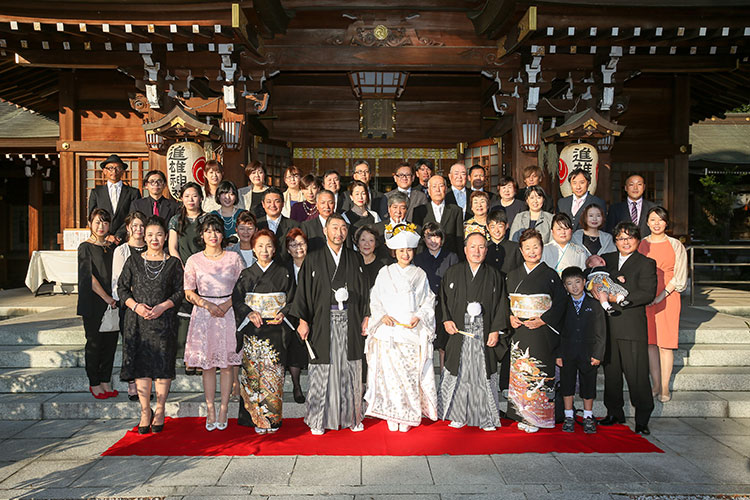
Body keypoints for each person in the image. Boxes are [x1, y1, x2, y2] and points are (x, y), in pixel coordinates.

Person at [290, 213, 371, 435]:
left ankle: (353, 417)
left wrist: (366, 316)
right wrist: (303, 320)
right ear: (325, 230)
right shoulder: (313, 258)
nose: (339, 232)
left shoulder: (354, 258)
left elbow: (364, 291)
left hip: (350, 320)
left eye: (343, 228)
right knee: (323, 370)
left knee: (351, 369)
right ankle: (318, 419)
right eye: (334, 227)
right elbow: (303, 292)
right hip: (322, 322)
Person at [365, 224, 438, 432]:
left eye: (408, 250)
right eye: (401, 251)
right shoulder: (385, 272)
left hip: (410, 332)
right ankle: (391, 412)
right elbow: (375, 298)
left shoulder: (420, 274)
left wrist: (420, 316)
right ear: (394, 252)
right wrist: (382, 316)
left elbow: (428, 300)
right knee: (389, 377)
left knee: (409, 375)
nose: (405, 254)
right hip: (389, 332)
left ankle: (407, 413)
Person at [118, 216, 184, 434]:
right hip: (137, 322)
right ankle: (145, 410)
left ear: (166, 237)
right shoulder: (134, 260)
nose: (154, 239)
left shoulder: (173, 263)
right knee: (142, 367)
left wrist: (163, 306)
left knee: (162, 367)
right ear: (143, 237)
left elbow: (179, 292)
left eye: (159, 234)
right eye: (150, 235)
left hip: (164, 321)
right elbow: (122, 289)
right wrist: (136, 306)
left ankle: (160, 410)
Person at [438, 232, 509, 431]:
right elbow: (442, 301)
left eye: (481, 247)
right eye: (473, 246)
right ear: (465, 249)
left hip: (483, 332)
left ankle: (484, 416)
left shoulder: (495, 275)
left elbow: (502, 304)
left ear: (486, 250)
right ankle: (458, 414)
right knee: (460, 372)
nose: (477, 251)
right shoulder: (453, 272)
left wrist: (495, 330)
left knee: (481, 373)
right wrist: (446, 320)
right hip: (459, 332)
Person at [183, 214, 245, 431]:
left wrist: (227, 305)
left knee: (227, 365)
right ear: (202, 234)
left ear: (223, 234)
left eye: (217, 230)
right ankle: (210, 409)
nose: (213, 235)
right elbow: (188, 290)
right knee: (208, 366)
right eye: (208, 231)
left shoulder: (234, 258)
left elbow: (243, 287)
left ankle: (224, 409)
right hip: (204, 314)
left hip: (229, 313)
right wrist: (207, 305)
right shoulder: (194, 260)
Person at [232, 229, 296, 434]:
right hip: (254, 329)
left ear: (275, 249)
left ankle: (272, 420)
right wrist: (249, 313)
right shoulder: (246, 274)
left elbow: (293, 298)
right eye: (260, 246)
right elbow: (237, 299)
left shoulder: (284, 272)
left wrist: (285, 312)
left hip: (276, 329)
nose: (264, 250)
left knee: (274, 375)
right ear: (253, 248)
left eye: (269, 245)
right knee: (252, 374)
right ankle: (254, 419)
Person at [596, 222, 657, 435]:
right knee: (611, 373)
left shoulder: (646, 263)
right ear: (615, 241)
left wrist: (620, 297)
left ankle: (642, 418)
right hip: (608, 326)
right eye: (621, 238)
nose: (625, 242)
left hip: (632, 327)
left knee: (637, 374)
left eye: (630, 237)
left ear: (638, 240)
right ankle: (614, 412)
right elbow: (596, 279)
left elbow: (647, 293)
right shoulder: (608, 260)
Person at [505, 229, 567, 432]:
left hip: (542, 333)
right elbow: (505, 302)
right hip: (520, 331)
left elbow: (560, 303)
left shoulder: (551, 275)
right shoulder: (513, 275)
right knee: (521, 374)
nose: (532, 252)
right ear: (521, 251)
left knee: (539, 373)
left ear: (542, 248)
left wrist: (544, 319)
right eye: (528, 248)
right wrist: (510, 317)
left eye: (536, 247)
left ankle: (539, 418)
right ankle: (522, 415)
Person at [638, 206, 688, 403]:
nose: (656, 223)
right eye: (652, 219)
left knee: (665, 344)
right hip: (646, 297)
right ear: (647, 222)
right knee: (651, 343)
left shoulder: (676, 245)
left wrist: (661, 295)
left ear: (666, 223)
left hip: (669, 296)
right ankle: (656, 384)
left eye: (660, 219)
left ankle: (665, 386)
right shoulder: (642, 244)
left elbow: (680, 275)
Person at [556, 266, 606, 434]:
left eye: (577, 282)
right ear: (565, 286)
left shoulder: (594, 304)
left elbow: (601, 331)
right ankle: (569, 416)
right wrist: (558, 354)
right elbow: (557, 331)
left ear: (585, 282)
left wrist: (598, 353)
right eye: (569, 283)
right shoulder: (562, 304)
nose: (574, 286)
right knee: (567, 384)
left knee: (588, 384)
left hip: (588, 351)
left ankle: (588, 416)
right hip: (567, 351)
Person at [77, 208, 119, 399]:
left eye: (104, 222)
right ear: (90, 224)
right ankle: (94, 383)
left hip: (113, 302)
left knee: (110, 344)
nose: (101, 226)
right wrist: (106, 298)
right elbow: (89, 277)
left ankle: (105, 380)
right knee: (94, 343)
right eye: (97, 222)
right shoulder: (85, 247)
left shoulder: (112, 248)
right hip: (94, 302)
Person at [167, 182, 205, 375]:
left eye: (195, 195)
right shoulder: (175, 220)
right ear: (181, 199)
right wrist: (183, 270)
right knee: (185, 315)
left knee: (203, 316)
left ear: (201, 198)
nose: (191, 199)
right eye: (187, 196)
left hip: (206, 273)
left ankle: (201, 357)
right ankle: (186, 358)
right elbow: (173, 247)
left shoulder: (207, 219)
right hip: (182, 271)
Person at [111, 211, 148, 401]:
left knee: (148, 347)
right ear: (128, 228)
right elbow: (118, 282)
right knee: (131, 344)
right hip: (129, 305)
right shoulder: (122, 250)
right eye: (134, 226)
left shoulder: (153, 247)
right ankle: (133, 384)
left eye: (142, 226)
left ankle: (147, 383)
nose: (139, 230)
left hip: (151, 306)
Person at [413, 222, 459, 371]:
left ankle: (445, 380)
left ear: (442, 238)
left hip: (445, 305)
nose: (433, 241)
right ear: (424, 239)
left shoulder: (451, 257)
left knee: (443, 345)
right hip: (424, 306)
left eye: (436, 236)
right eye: (429, 237)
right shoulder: (418, 259)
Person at [87, 154, 140, 243]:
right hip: (101, 238)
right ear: (104, 171)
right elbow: (92, 216)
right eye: (110, 168)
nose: (114, 171)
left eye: (117, 168)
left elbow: (133, 216)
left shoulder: (133, 192)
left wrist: (118, 235)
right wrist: (106, 235)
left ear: (123, 171)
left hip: (125, 239)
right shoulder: (96, 192)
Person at [285, 227, 310, 403]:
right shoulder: (284, 268)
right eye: (293, 245)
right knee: (294, 344)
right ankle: (296, 385)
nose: (298, 248)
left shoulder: (316, 264)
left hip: (313, 312)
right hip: (291, 314)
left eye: (301, 244)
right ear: (288, 249)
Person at [412, 175, 464, 256]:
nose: (437, 190)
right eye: (434, 186)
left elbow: (459, 237)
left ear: (446, 189)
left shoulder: (456, 210)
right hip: (426, 257)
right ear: (429, 191)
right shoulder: (420, 211)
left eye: (441, 186)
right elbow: (418, 238)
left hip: (450, 257)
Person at [257, 187, 300, 258]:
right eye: (269, 202)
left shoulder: (294, 225)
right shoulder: (257, 225)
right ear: (263, 204)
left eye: (277, 201)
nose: (273, 205)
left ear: (283, 204)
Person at [485, 210, 523, 276]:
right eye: (493, 227)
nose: (496, 230)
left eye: (500, 226)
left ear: (506, 226)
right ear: (487, 227)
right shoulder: (485, 247)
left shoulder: (515, 247)